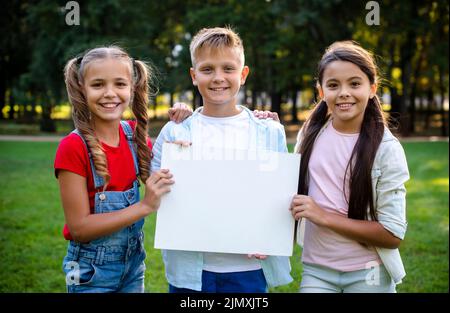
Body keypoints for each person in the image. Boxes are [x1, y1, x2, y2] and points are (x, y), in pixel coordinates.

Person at [151, 27, 293, 293]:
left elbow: (279, 195)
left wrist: (269, 236)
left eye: (228, 68)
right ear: (194, 76)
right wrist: (175, 165)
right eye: (207, 70)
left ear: (243, 74)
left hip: (248, 270)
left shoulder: (268, 131)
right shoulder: (176, 131)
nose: (218, 78)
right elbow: (154, 191)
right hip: (191, 271)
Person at [54, 46, 192, 293]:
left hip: (133, 266)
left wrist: (185, 124)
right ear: (82, 89)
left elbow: (179, 166)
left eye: (119, 84)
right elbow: (79, 228)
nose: (109, 93)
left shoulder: (135, 139)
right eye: (97, 85)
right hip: (89, 273)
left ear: (132, 88)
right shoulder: (73, 147)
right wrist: (144, 206)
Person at [290, 41, 409, 293]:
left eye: (355, 83)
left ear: (372, 88)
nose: (344, 92)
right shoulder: (309, 136)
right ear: (321, 91)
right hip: (316, 270)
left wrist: (323, 216)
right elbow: (285, 192)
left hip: (369, 272)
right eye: (333, 85)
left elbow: (392, 234)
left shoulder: (387, 149)